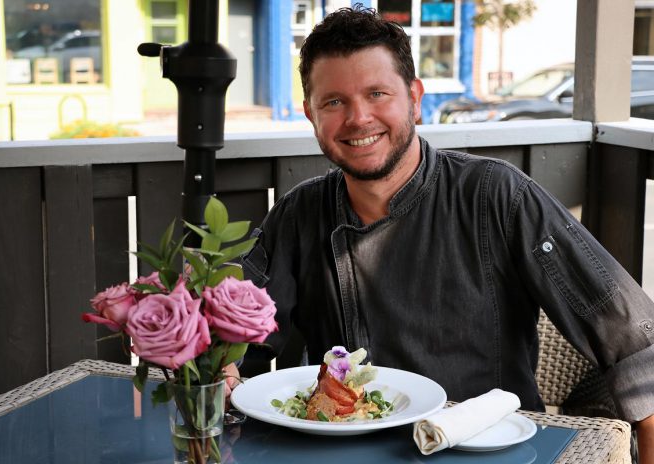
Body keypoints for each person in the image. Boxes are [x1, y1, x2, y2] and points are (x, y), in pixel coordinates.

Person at [240, 5, 654, 461]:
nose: (358, 118)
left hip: (487, 451)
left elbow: (638, 350)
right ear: (310, 113)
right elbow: (235, 344)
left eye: (378, 93)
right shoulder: (299, 213)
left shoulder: (497, 195)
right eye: (334, 101)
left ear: (415, 98)